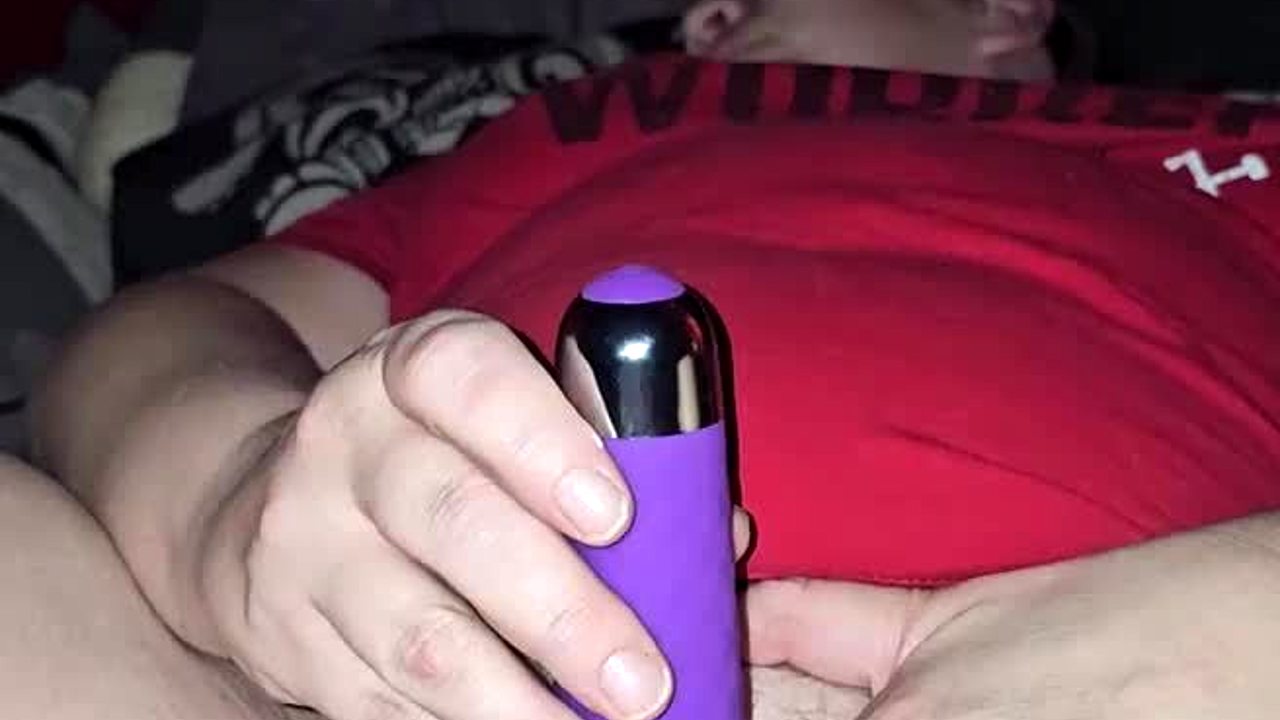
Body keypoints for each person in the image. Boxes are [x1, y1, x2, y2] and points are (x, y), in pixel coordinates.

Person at [9, 0, 1280, 719]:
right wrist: (228, 491)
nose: (706, 9)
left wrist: (1246, 617)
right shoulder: (552, 129)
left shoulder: (1242, 139)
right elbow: (172, 324)